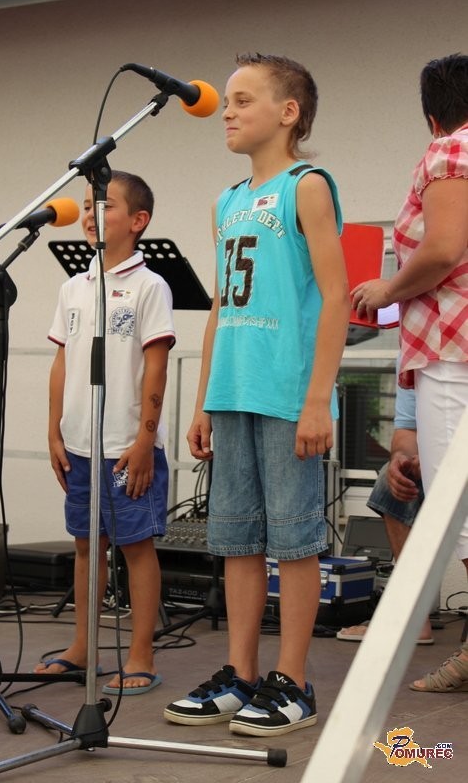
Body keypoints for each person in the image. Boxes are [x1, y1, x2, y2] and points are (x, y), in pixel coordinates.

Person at [164, 53, 350, 736]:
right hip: (233, 390)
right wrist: (202, 400)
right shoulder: (227, 201)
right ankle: (240, 675)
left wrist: (317, 398)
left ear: (288, 112)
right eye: (228, 101)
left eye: (243, 100)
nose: (228, 112)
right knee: (237, 539)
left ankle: (293, 681)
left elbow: (336, 296)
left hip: (286, 393)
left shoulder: (307, 186)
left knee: (294, 542)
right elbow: (221, 305)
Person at [350, 53, 468, 693]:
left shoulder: (451, 150)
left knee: (458, 506)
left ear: (432, 116)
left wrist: (387, 288)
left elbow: (444, 249)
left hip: (453, 349)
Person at [34, 170, 176, 695]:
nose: (92, 215)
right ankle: (82, 646)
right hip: (78, 445)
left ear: (138, 221)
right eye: (89, 205)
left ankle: (141, 654)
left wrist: (144, 440)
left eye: (106, 205)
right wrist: (54, 431)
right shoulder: (73, 287)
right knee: (85, 546)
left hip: (125, 447)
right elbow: (61, 362)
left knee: (135, 547)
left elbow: (156, 367)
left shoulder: (149, 286)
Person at [337, 378, 434, 644]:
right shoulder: (410, 359)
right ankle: (414, 618)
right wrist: (401, 459)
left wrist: (440, 457)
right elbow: (407, 431)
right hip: (441, 462)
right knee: (390, 482)